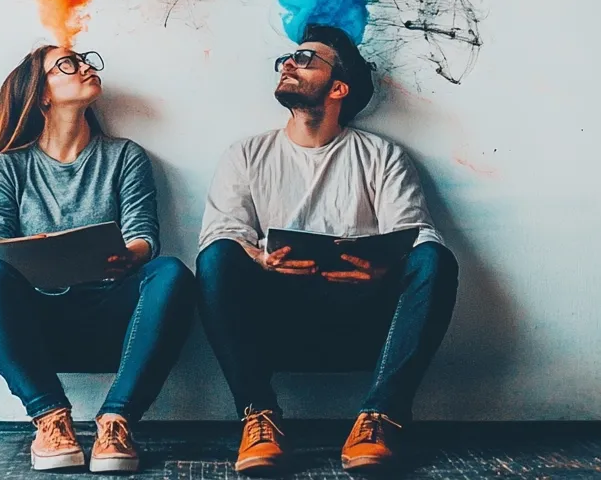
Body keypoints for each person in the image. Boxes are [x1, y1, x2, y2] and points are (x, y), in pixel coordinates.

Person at [196, 24, 459, 473]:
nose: (288, 64)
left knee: (435, 258)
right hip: (273, 321)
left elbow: (418, 234)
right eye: (286, 58)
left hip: (363, 317)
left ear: (338, 87)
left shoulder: (382, 156)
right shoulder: (245, 154)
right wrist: (258, 258)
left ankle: (379, 418)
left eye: (304, 59)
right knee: (216, 254)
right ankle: (258, 417)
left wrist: (381, 267)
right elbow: (220, 232)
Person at [0, 45, 196, 473]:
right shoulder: (7, 167)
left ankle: (116, 422)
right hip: (39, 321)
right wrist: (40, 252)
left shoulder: (125, 156)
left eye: (86, 59)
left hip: (114, 315)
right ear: (41, 95)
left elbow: (144, 236)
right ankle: (51, 419)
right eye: (67, 64)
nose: (85, 66)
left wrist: (129, 256)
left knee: (170, 272)